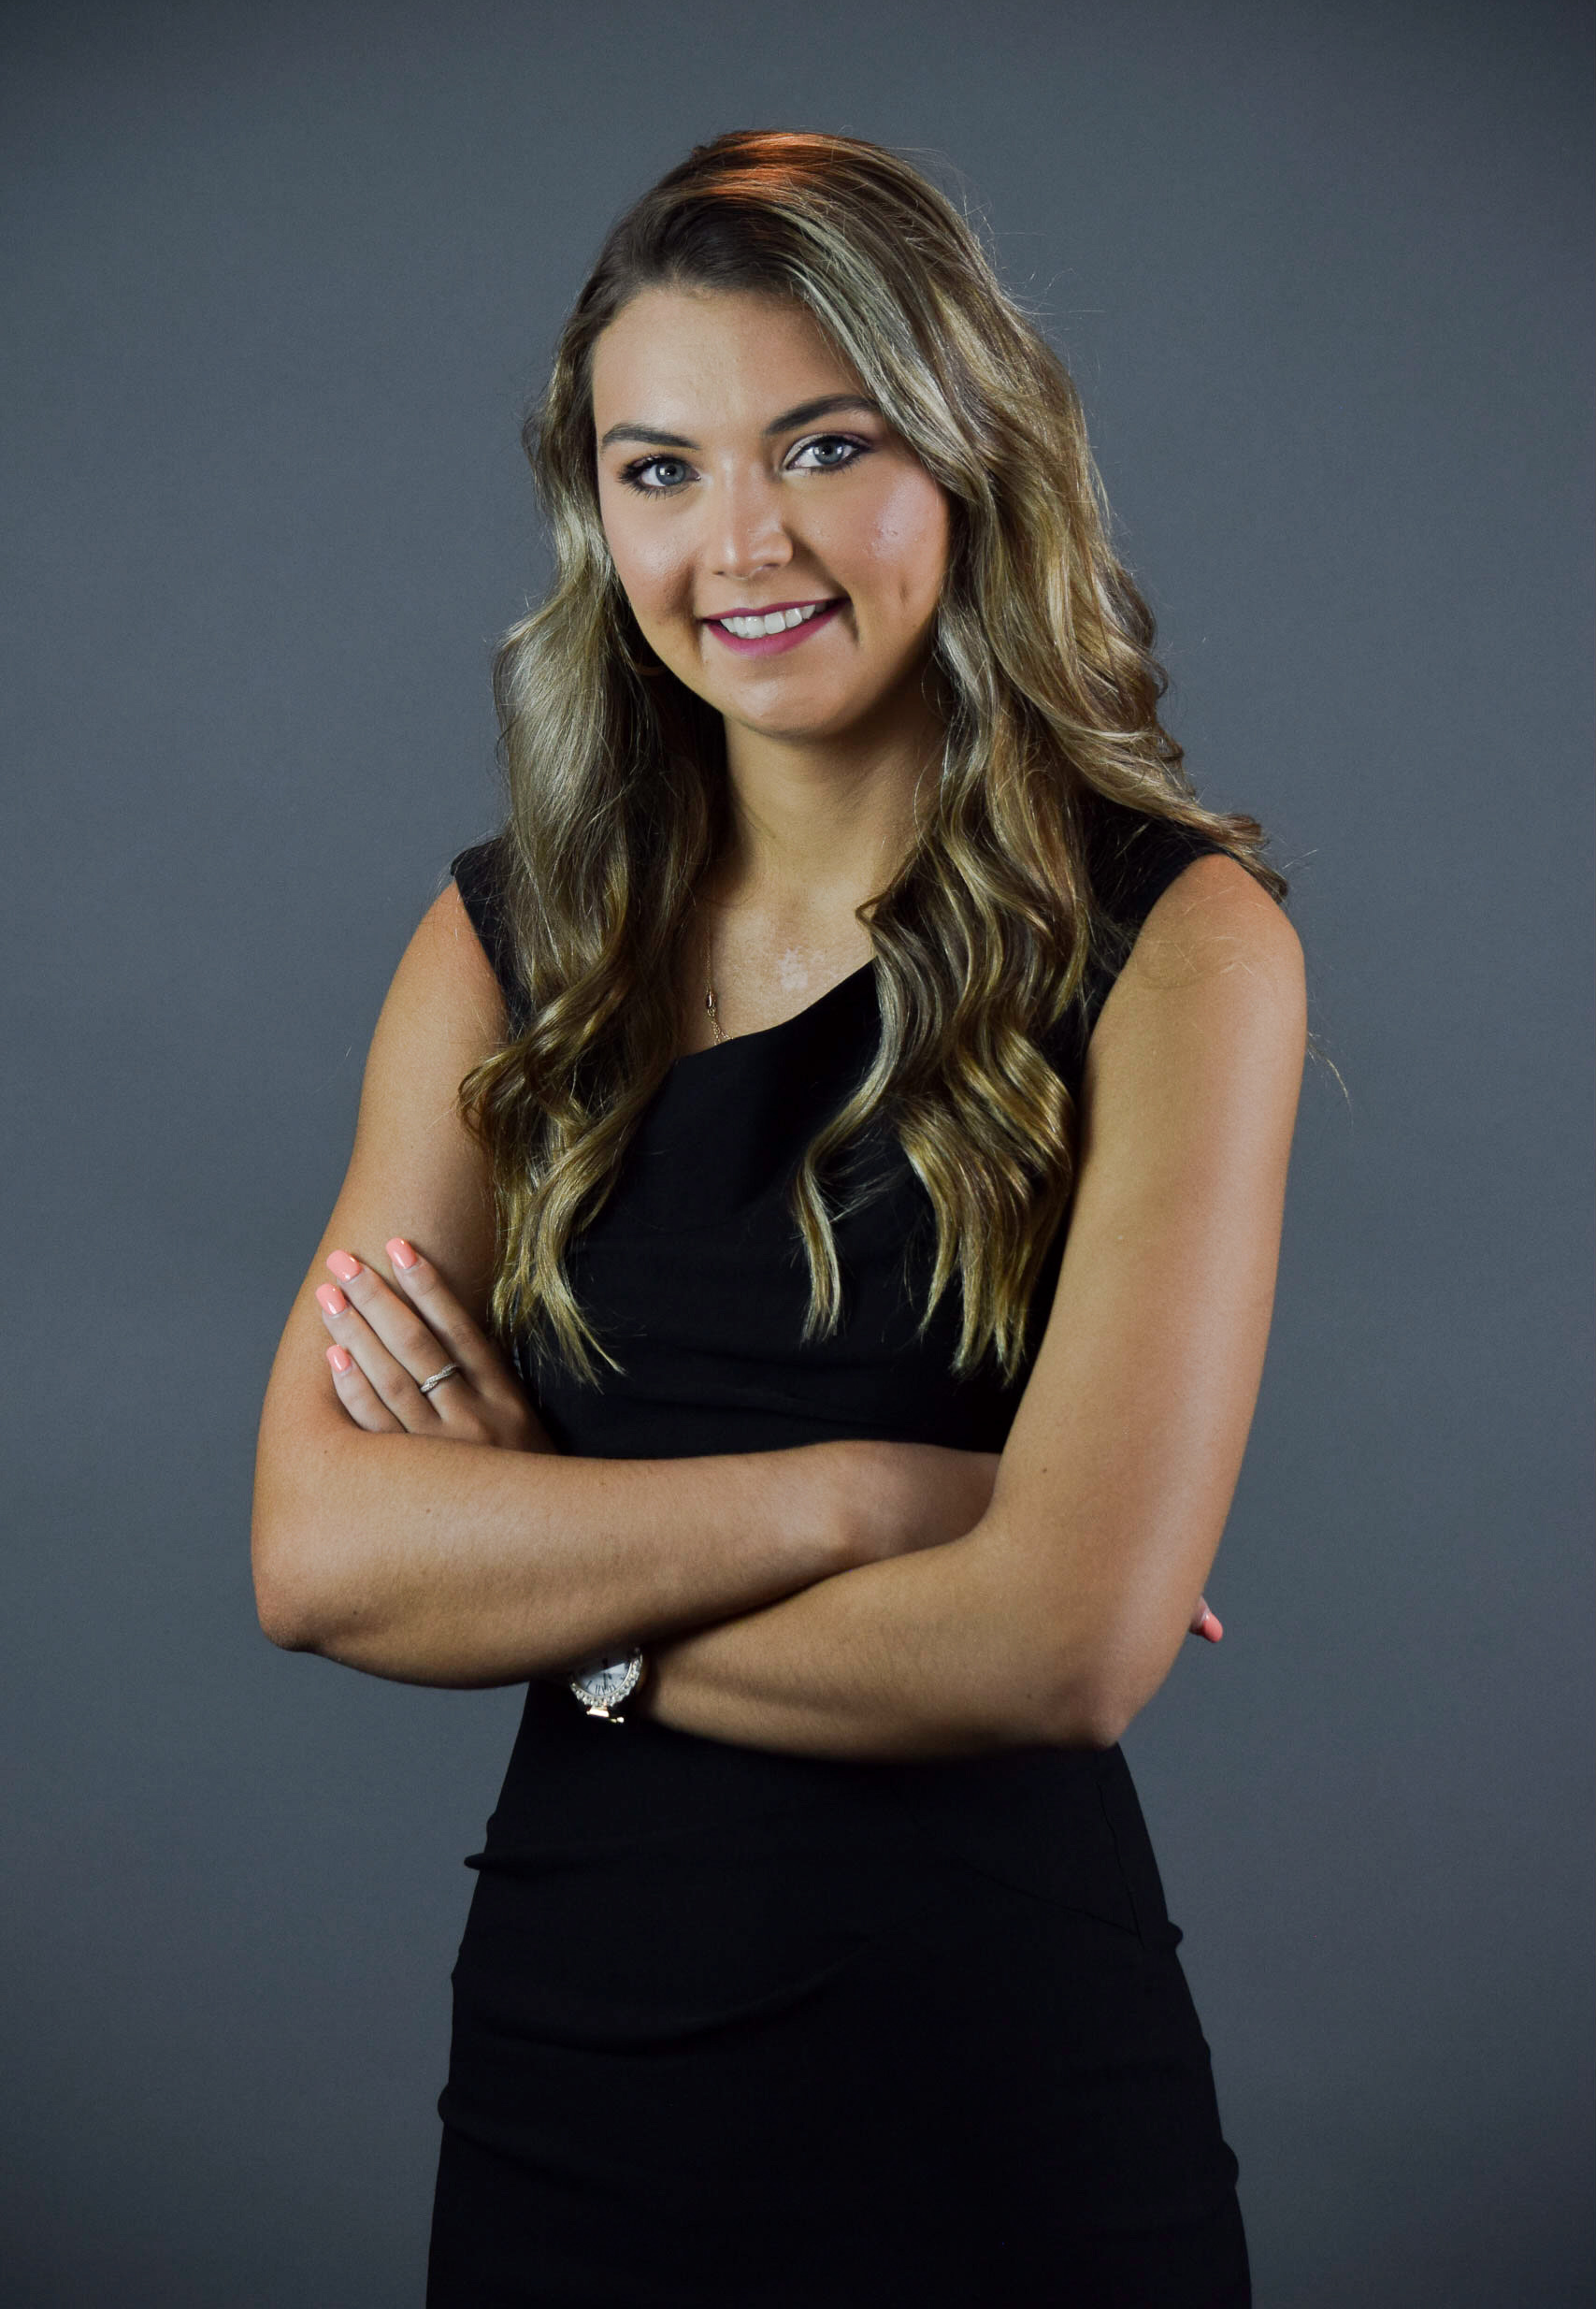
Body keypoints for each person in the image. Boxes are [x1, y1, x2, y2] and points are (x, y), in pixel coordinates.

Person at [252, 130, 1305, 2308]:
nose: (740, 541)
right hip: (565, 2095)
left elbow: (1059, 1646)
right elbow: (320, 1549)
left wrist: (561, 1593)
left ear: (968, 455)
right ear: (596, 513)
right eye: (658, 469)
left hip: (1000, 2106)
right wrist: (862, 1497)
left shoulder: (1176, 943)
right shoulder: (510, 941)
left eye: (823, 445)